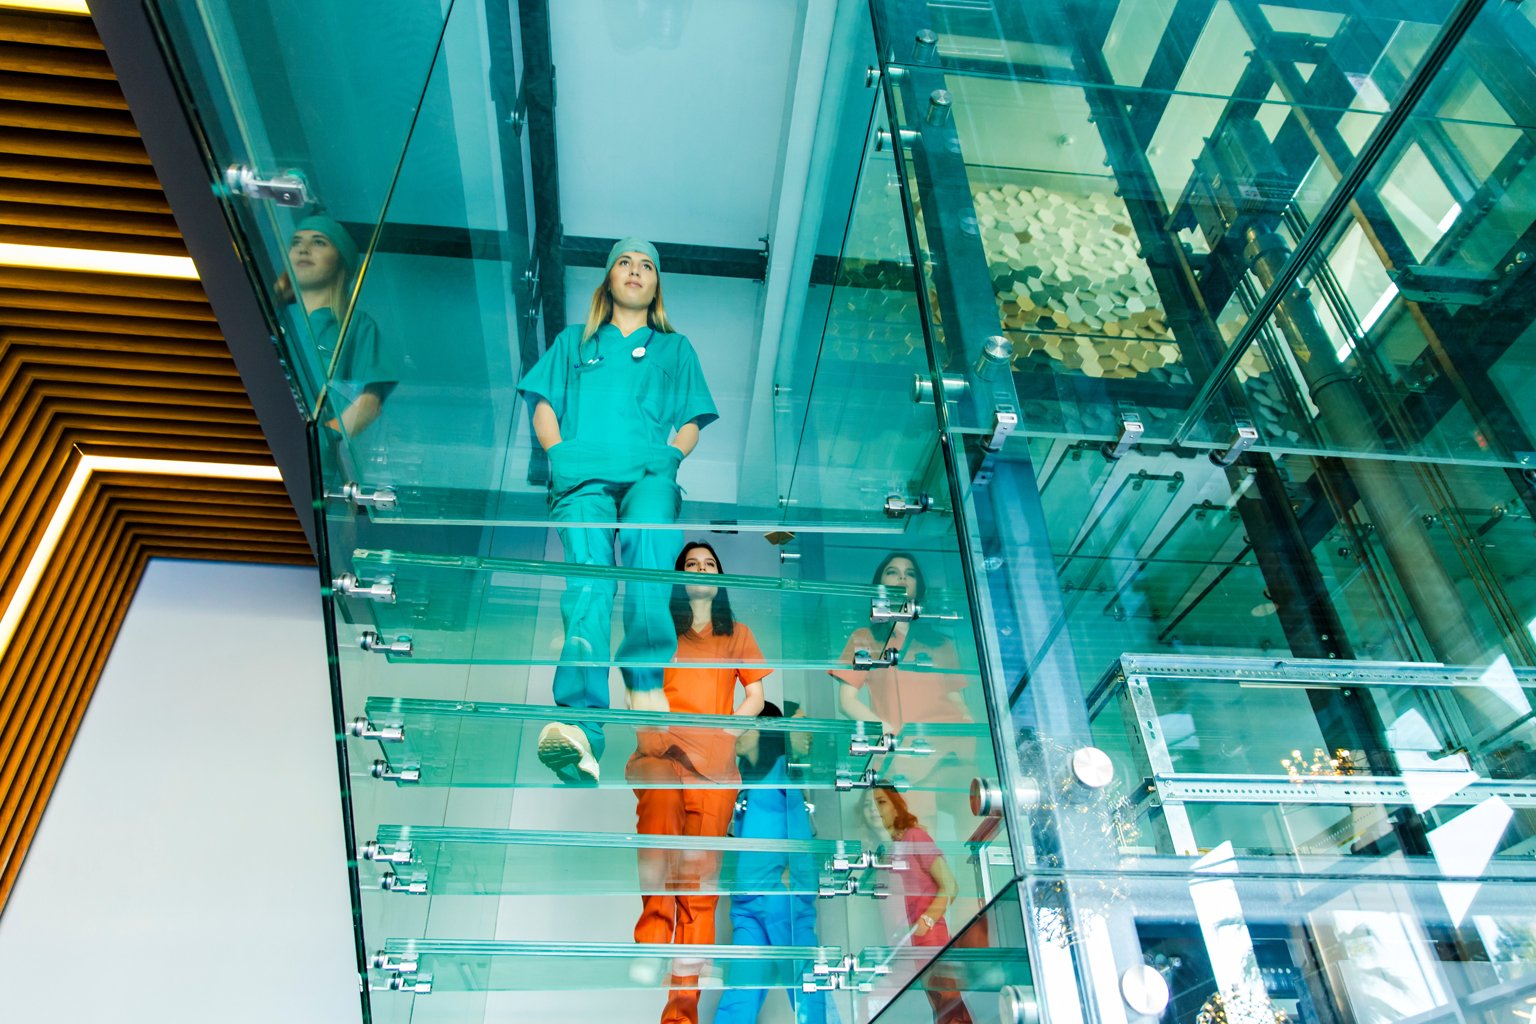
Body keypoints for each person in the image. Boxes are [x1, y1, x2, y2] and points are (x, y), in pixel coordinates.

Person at [516, 239, 717, 783]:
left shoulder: (674, 350)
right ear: (608, 280)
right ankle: (581, 727)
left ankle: (645, 679)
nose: (635, 271)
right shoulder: (574, 343)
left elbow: (694, 416)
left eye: (646, 266)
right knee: (589, 581)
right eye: (624, 263)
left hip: (650, 472)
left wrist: (672, 454)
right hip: (581, 476)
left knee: (648, 557)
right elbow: (542, 404)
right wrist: (558, 455)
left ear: (656, 286)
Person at [626, 541, 768, 1024]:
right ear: (680, 578)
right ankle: (651, 936)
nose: (702, 569)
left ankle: (681, 1016)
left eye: (710, 564)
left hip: (715, 765)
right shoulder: (661, 631)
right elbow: (637, 687)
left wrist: (725, 731)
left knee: (700, 888)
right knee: (661, 832)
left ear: (720, 578)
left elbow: (756, 695)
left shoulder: (738, 635)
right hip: (663, 752)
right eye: (691, 564)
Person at [715, 701, 833, 1024]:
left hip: (783, 902)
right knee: (739, 994)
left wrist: (796, 890)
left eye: (744, 724)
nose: (735, 731)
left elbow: (801, 833)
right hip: (746, 908)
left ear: (764, 729)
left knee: (808, 991)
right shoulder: (740, 786)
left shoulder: (785, 768)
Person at [278, 214, 394, 438]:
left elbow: (369, 403)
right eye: (296, 243)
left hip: (302, 451)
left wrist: (324, 440)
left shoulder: (357, 327)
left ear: (342, 261)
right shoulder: (276, 318)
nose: (304, 249)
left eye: (319, 242)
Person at [867, 786, 973, 1024]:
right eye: (869, 806)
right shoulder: (887, 852)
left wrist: (925, 924)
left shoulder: (915, 836)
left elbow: (950, 886)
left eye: (881, 802)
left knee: (951, 1009)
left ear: (896, 804)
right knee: (940, 1009)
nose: (874, 810)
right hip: (909, 946)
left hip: (929, 939)